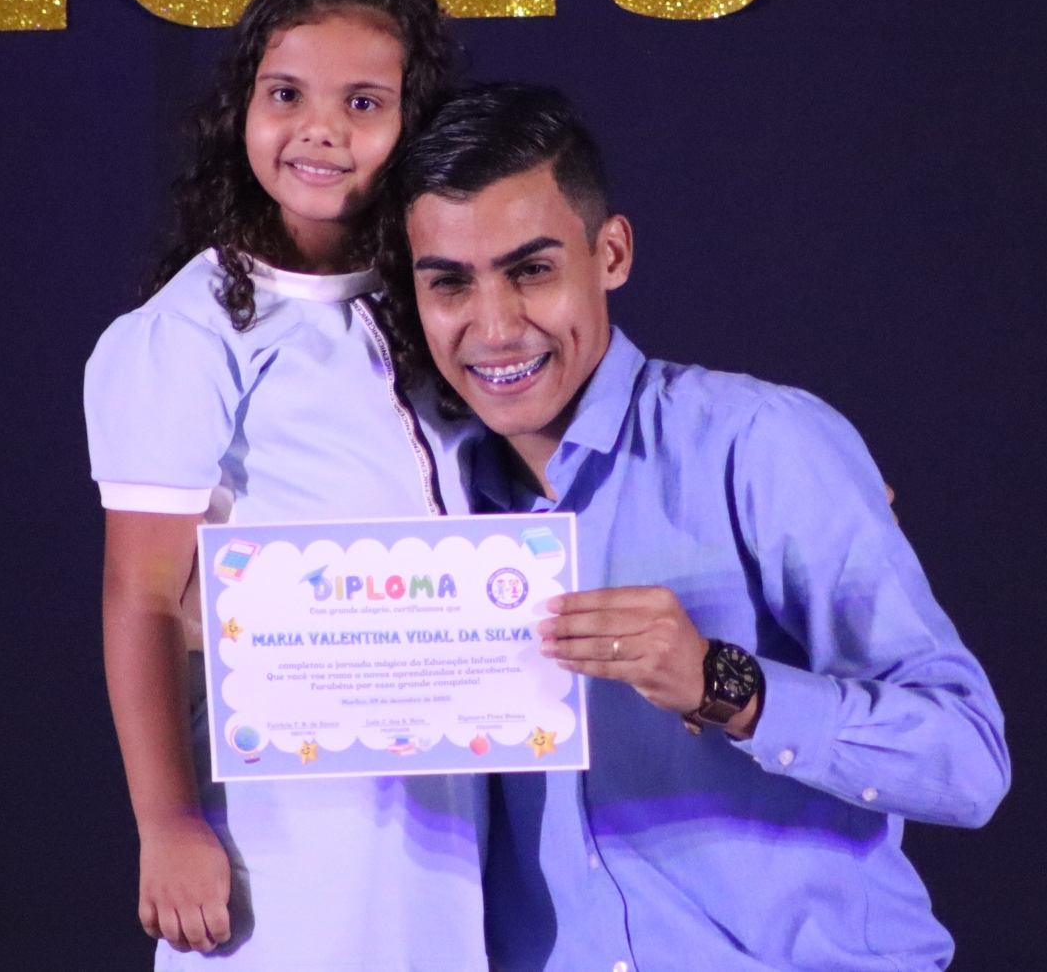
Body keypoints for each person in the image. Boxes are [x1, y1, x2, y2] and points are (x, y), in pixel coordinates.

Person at [376, 83, 1013, 972]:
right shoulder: (420, 507)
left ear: (611, 253)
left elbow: (968, 760)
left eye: (531, 270)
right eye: (450, 282)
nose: (495, 326)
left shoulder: (762, 444)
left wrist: (724, 684)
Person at [83, 0, 486, 972]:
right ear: (243, 108)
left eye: (364, 103)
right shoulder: (196, 328)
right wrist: (167, 820)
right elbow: (141, 592)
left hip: (445, 787)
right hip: (290, 802)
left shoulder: (431, 301)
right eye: (287, 94)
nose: (320, 128)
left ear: (413, 123)